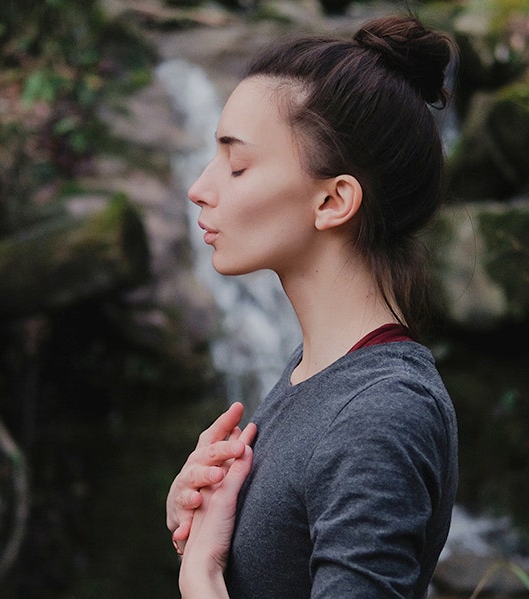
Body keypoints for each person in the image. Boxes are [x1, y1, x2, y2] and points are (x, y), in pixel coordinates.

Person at [166, 14, 459, 599]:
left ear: (332, 200)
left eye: (237, 164)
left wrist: (201, 576)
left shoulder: (380, 414)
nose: (199, 187)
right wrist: (201, 522)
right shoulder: (317, 373)